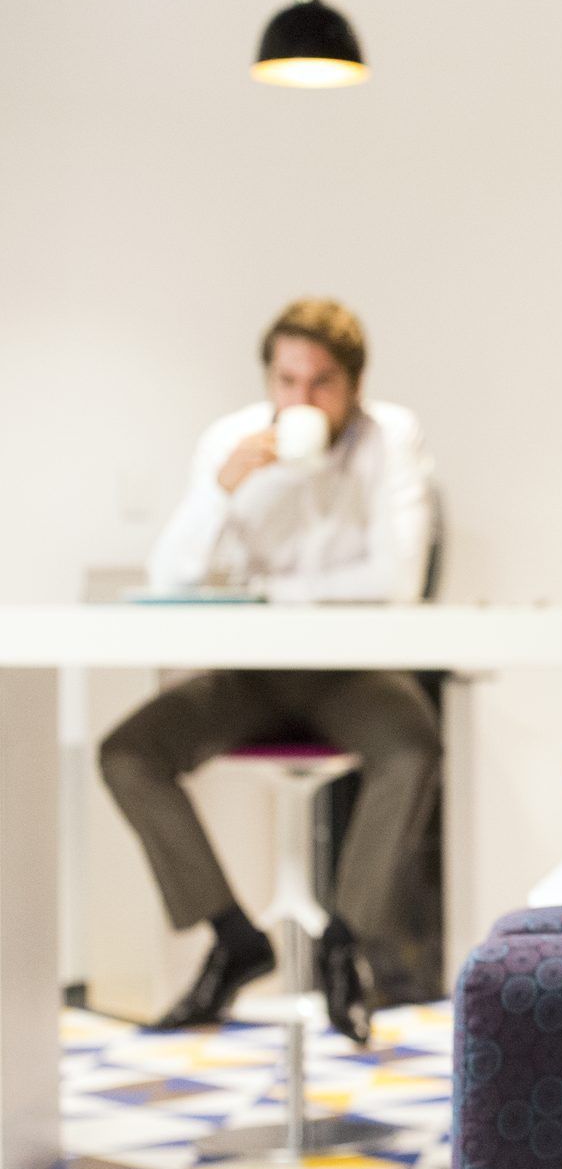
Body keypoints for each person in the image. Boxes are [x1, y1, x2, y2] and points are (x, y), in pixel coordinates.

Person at [98, 298, 442, 1046]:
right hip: (247, 674)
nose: (302, 400)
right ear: (268, 381)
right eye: (287, 381)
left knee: (414, 744)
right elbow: (173, 573)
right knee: (127, 752)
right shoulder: (231, 440)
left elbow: (398, 577)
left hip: (348, 671)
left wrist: (277, 593)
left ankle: (345, 942)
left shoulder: (391, 440)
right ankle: (231, 936)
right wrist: (219, 493)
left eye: (321, 383)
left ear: (352, 386)